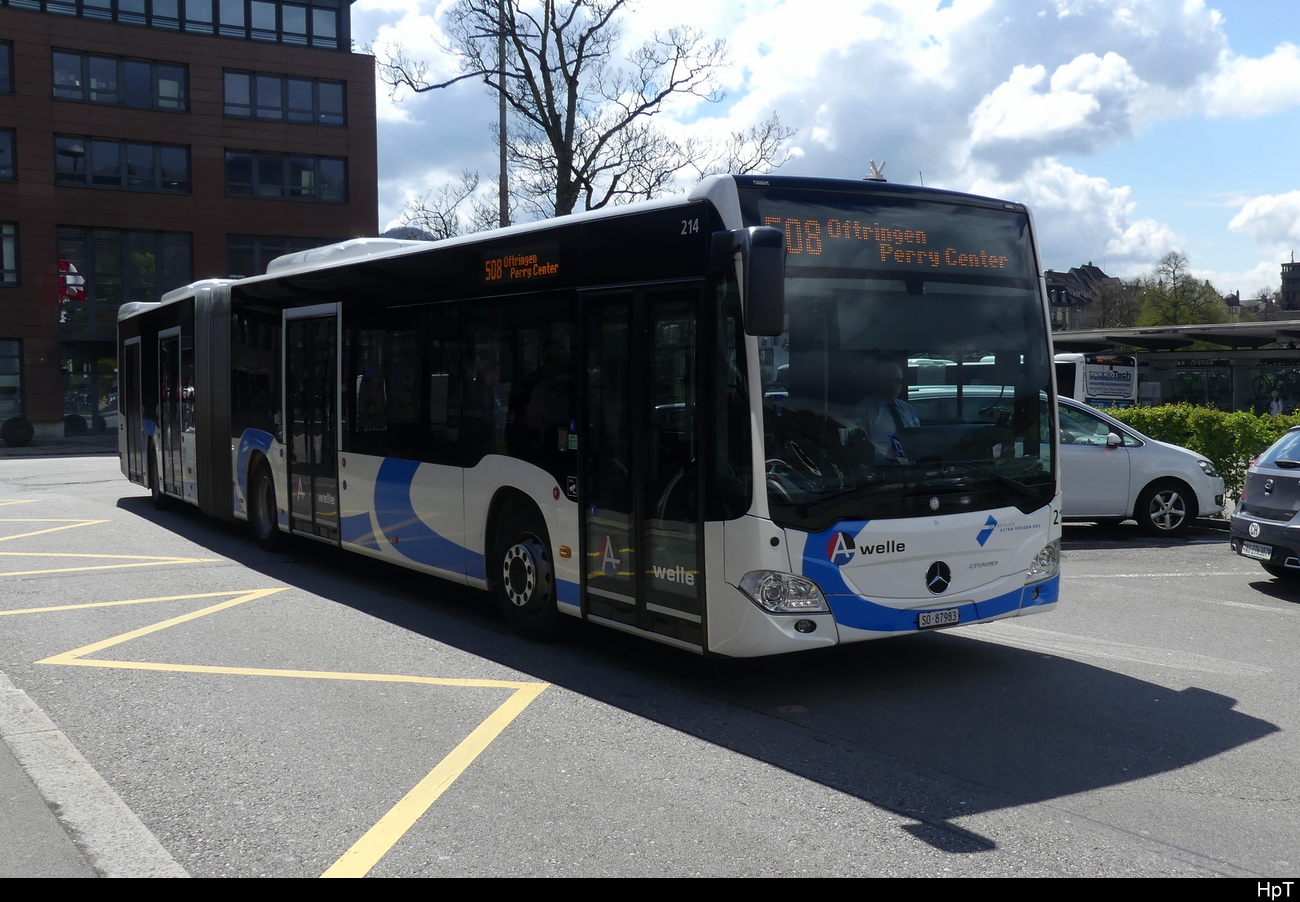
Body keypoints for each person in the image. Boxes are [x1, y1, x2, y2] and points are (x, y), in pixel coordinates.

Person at [856, 361, 921, 463]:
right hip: (882, 469)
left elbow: (918, 439)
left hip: (911, 468)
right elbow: (864, 447)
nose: (893, 385)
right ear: (877, 381)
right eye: (888, 380)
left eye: (898, 381)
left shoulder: (908, 409)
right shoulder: (865, 410)